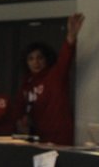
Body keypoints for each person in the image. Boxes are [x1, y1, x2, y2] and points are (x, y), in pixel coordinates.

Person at [9, 13, 85, 145]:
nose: (35, 62)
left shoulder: (55, 74)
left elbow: (65, 56)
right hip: (37, 139)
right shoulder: (26, 84)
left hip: (60, 138)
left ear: (46, 59)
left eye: (40, 58)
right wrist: (21, 121)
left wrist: (71, 35)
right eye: (31, 59)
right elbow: (18, 110)